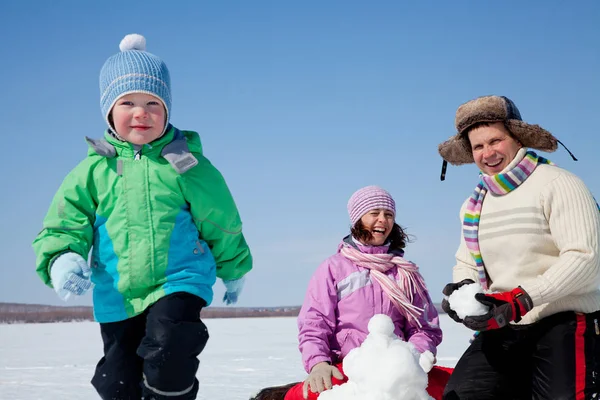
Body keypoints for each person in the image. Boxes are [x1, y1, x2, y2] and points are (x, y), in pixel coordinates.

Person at [32, 33, 252, 400]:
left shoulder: (186, 166)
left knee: (170, 349)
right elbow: (65, 222)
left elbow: (220, 219)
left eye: (153, 102)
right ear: (108, 111)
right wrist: (61, 257)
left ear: (167, 109)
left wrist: (233, 268)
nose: (141, 112)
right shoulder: (90, 173)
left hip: (178, 280)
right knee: (118, 380)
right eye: (127, 102)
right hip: (116, 291)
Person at [438, 95, 600, 399]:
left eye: (495, 141)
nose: (487, 153)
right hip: (504, 323)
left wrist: (522, 298)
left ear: (516, 137)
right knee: (461, 395)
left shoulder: (558, 184)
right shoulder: (475, 204)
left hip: (562, 321)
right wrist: (463, 291)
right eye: (478, 147)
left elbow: (585, 259)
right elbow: (468, 262)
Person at [252, 186, 447, 400]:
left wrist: (413, 358)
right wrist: (318, 364)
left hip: (397, 369)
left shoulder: (406, 273)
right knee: (306, 396)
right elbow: (314, 324)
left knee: (459, 385)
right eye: (374, 213)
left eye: (388, 214)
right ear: (358, 219)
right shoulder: (334, 268)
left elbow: (425, 328)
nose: (383, 219)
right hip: (347, 367)